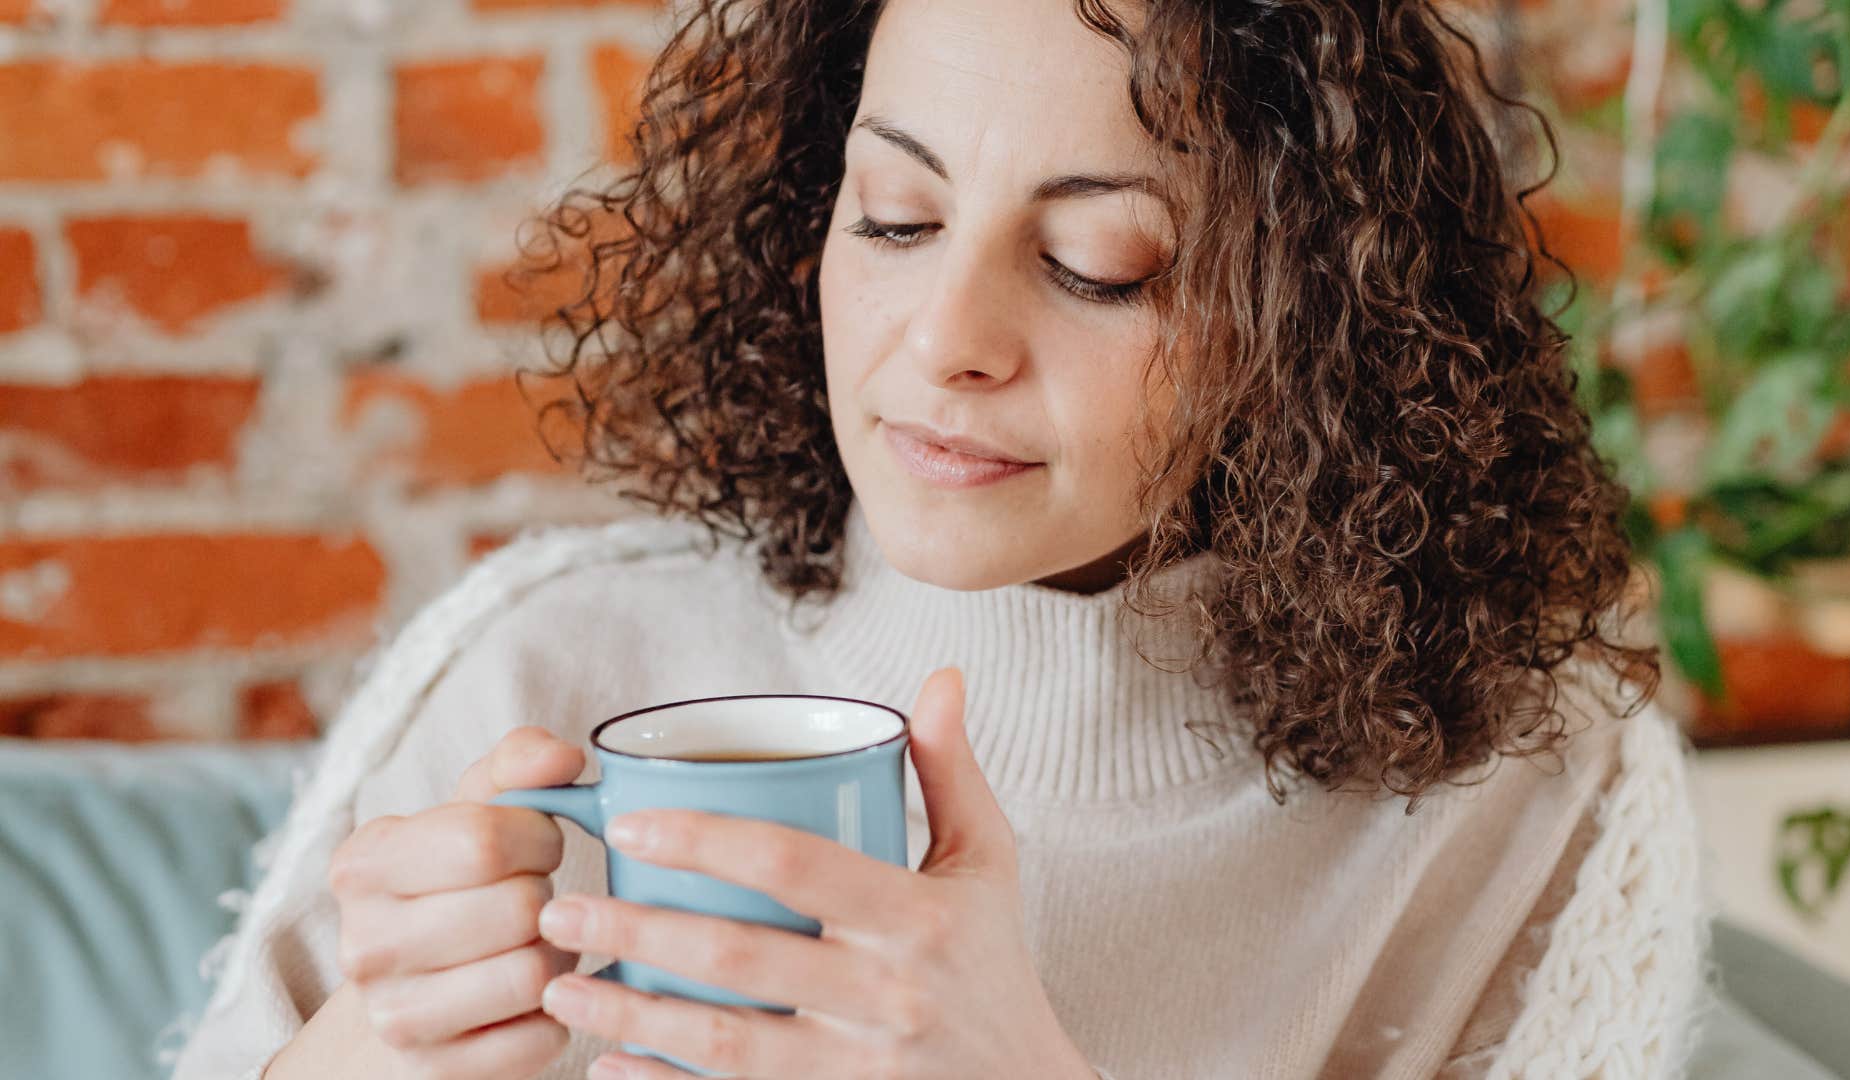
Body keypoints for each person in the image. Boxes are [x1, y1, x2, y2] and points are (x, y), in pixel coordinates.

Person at [171, 0, 1714, 1076]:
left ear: (1313, 327)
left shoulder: (1524, 803)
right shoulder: (544, 664)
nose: (946, 339)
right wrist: (375, 1052)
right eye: (896, 220)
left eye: (1098, 263)